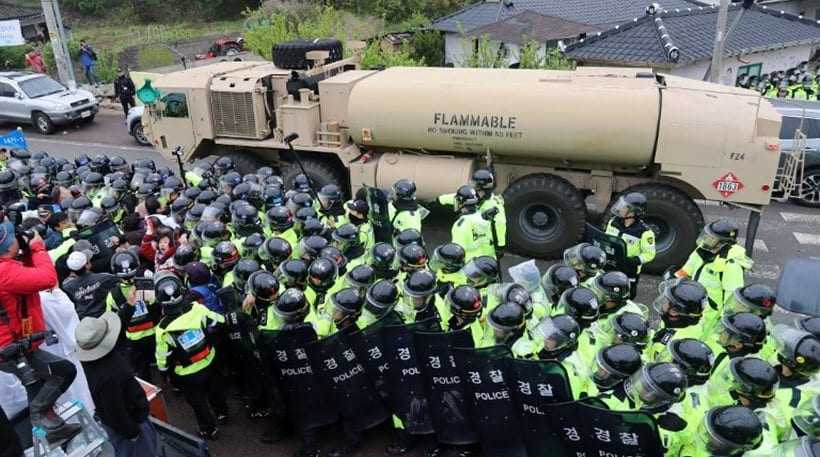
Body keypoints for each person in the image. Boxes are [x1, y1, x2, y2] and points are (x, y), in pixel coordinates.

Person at [0, 221, 81, 443]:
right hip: (14, 348)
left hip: (13, 345)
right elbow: (46, 278)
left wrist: (25, 250)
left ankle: (53, 426)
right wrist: (36, 247)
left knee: (34, 383)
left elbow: (25, 273)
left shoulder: (5, 267)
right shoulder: (4, 273)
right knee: (64, 371)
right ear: (8, 246)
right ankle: (40, 416)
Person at [153, 272, 227, 440]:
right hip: (209, 360)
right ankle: (223, 413)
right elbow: (219, 321)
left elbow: (163, 357)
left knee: (198, 403)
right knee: (215, 390)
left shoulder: (162, 328)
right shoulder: (197, 308)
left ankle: (209, 429)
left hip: (187, 374)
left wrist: (164, 373)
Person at [75, 312, 158, 457]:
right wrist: (132, 433)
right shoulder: (109, 375)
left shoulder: (92, 363)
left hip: (123, 422)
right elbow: (115, 411)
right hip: (131, 425)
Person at [676, 220, 751, 331]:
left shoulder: (731, 265)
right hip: (692, 304)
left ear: (723, 243)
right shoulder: (702, 250)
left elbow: (732, 298)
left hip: (710, 316)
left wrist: (724, 322)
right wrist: (674, 285)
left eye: (712, 238)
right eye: (707, 235)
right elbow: (686, 270)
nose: (706, 239)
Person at [605, 192, 655, 299]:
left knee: (626, 296)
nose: (620, 208)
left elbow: (649, 254)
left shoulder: (644, 232)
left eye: (624, 207)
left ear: (634, 212)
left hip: (629, 270)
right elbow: (607, 239)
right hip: (611, 264)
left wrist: (634, 260)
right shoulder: (613, 222)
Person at [61, 246, 119, 319]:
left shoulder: (67, 287)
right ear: (87, 264)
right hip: (107, 317)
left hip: (85, 322)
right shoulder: (105, 278)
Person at [450, 185, 494, 261]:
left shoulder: (461, 224)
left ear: (462, 202)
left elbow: (457, 251)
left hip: (468, 265)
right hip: (484, 262)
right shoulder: (483, 218)